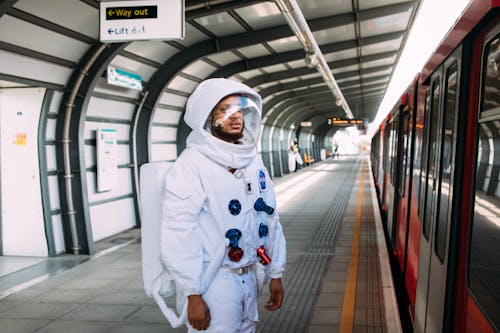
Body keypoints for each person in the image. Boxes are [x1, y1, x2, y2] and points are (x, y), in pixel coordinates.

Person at [160, 78, 286, 333]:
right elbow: (179, 232)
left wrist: (275, 273)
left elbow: (270, 221)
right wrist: (192, 294)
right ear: (207, 117)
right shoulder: (192, 163)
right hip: (214, 282)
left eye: (239, 109)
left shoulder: (252, 162)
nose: (235, 116)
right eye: (224, 110)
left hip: (250, 277)